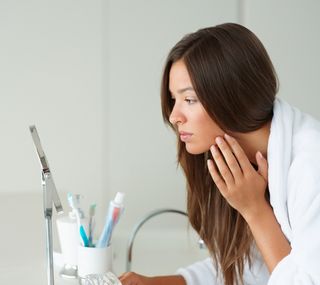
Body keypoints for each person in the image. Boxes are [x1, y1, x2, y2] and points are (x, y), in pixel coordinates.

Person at [119, 23, 320, 285]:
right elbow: (249, 265)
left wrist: (255, 209)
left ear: (232, 97)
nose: (174, 116)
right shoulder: (241, 162)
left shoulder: (310, 166)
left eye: (189, 100)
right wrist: (156, 283)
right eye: (174, 99)